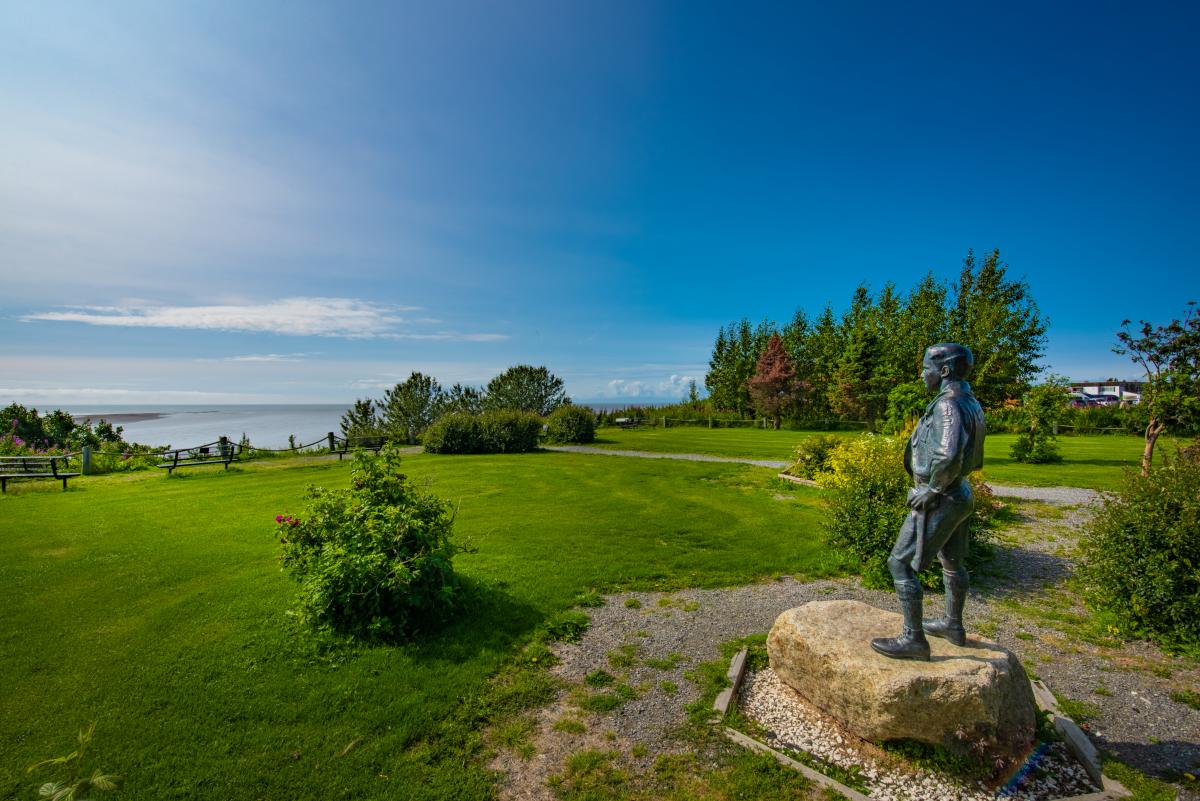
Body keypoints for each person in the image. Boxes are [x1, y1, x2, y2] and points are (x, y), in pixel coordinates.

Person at [870, 343, 986, 661]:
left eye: (926, 368)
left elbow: (947, 454)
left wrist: (932, 490)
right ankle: (953, 625)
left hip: (942, 497)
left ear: (944, 371)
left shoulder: (948, 405)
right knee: (952, 561)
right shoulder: (969, 400)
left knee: (900, 563)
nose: (923, 374)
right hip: (959, 493)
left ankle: (914, 639)